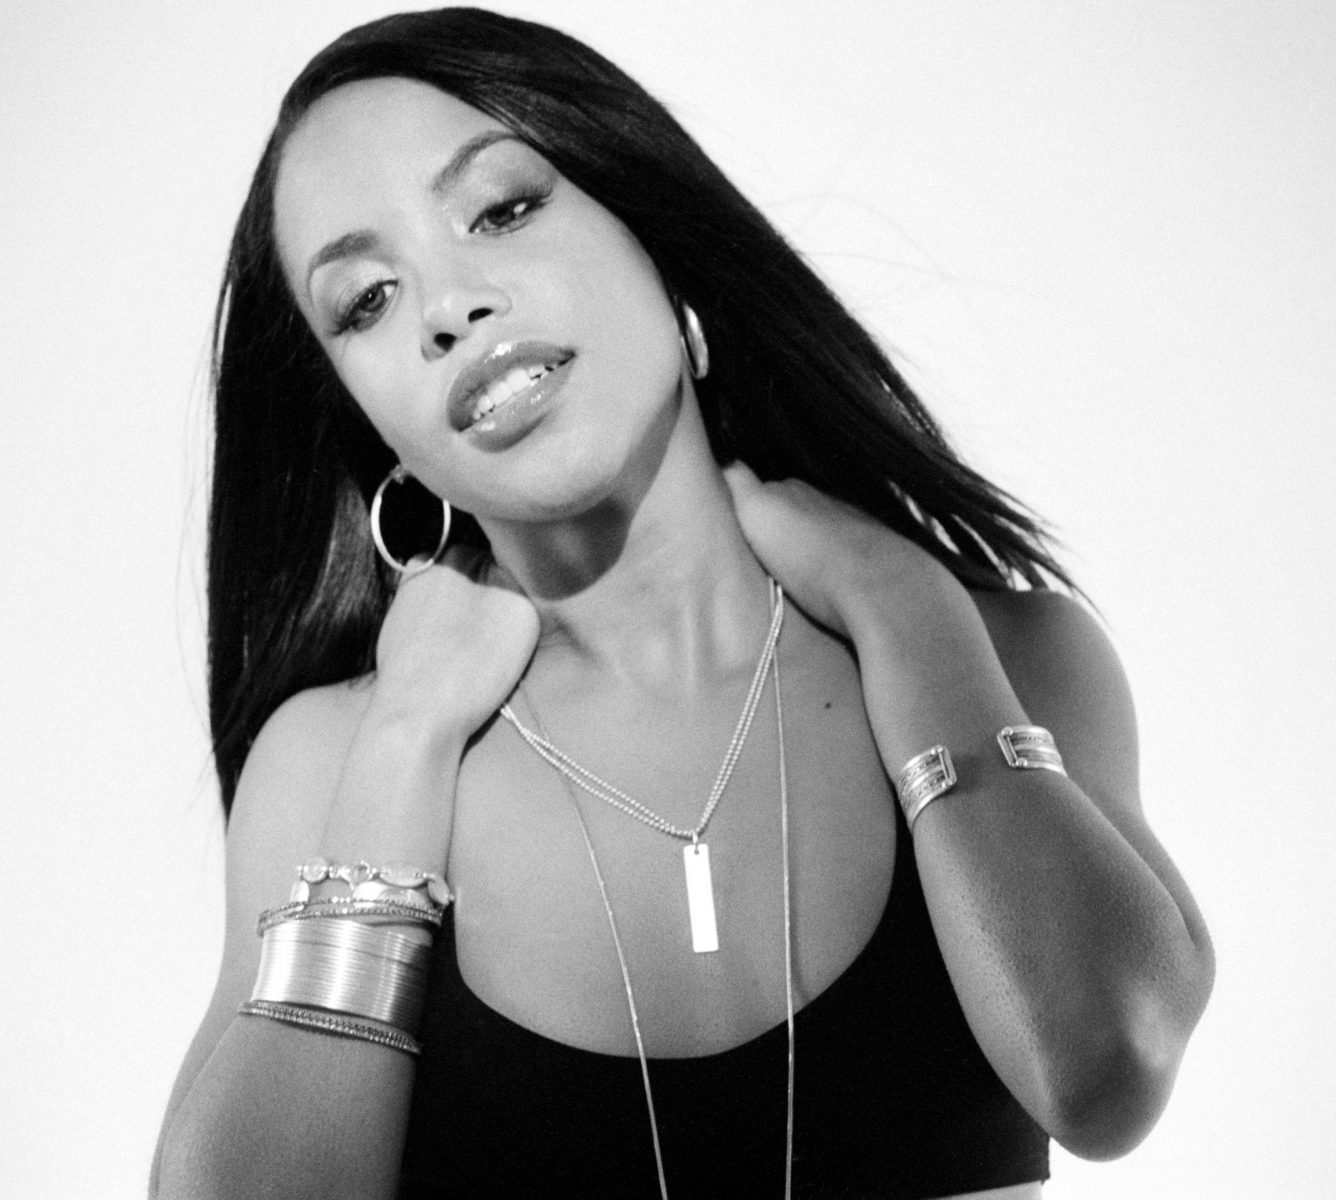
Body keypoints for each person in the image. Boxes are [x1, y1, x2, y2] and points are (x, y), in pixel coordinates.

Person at [151, 9, 1214, 1198]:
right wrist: (403, 743)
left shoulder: (1010, 656)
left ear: (661, 248)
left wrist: (905, 611)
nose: (446, 304)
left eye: (501, 210)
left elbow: (1104, 1075)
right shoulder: (335, 763)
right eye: (367, 301)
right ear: (368, 421)